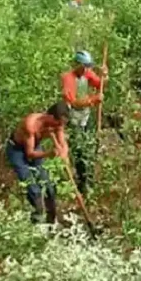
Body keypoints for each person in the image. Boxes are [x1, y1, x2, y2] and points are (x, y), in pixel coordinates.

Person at [5, 103, 70, 223]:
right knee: (34, 190)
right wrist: (49, 154)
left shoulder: (58, 123)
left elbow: (63, 143)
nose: (60, 126)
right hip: (17, 151)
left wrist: (64, 154)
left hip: (36, 147)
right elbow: (30, 154)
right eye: (58, 123)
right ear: (50, 117)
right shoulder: (31, 125)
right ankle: (37, 222)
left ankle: (52, 221)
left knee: (48, 187)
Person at [61, 51, 106, 195]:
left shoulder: (87, 74)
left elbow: (100, 84)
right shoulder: (68, 78)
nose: (87, 69)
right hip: (74, 119)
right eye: (84, 66)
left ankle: (90, 178)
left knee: (90, 147)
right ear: (78, 64)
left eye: (88, 66)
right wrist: (93, 100)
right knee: (80, 151)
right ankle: (82, 183)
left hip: (86, 117)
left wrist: (105, 75)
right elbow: (73, 101)